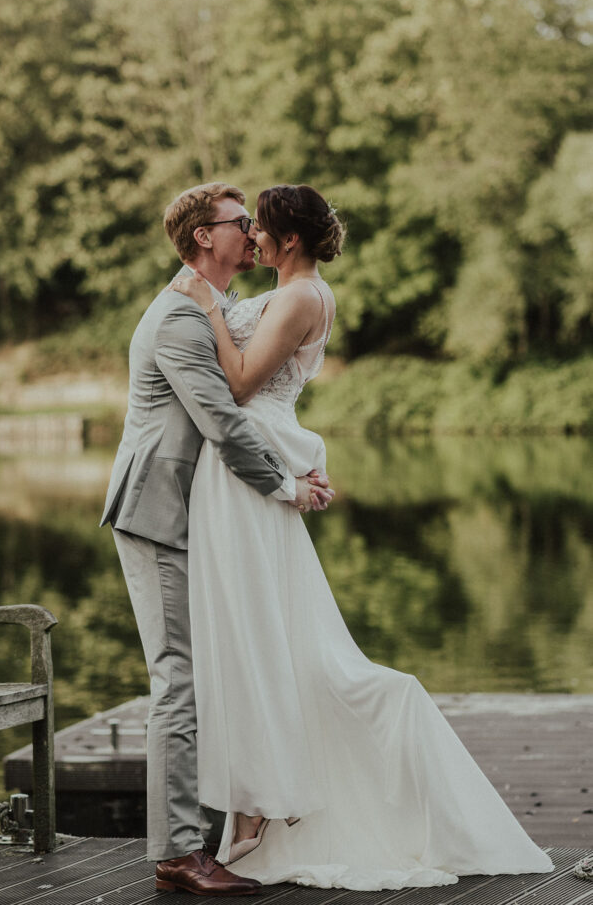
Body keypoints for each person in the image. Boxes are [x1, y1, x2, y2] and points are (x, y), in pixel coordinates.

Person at [172, 183, 554, 891]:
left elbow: (240, 384)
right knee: (256, 626)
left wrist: (204, 309)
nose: (250, 237)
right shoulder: (294, 291)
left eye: (259, 230)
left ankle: (265, 799)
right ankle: (259, 796)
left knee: (256, 627)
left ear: (288, 241)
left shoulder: (300, 296)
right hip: (248, 466)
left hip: (247, 466)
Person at [100, 181, 334, 896]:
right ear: (205, 236)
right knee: (179, 678)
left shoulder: (220, 307)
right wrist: (286, 485)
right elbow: (222, 420)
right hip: (158, 512)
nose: (252, 233)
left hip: (199, 514)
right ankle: (176, 852)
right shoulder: (178, 315)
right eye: (239, 223)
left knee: (209, 670)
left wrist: (296, 457)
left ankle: (222, 824)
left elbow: (260, 391)